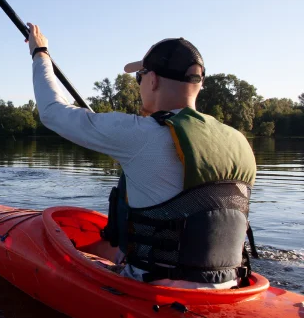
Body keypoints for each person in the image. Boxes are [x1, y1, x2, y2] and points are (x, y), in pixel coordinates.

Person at [26, 22, 257, 289]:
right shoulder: (239, 141)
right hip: (231, 286)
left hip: (153, 289)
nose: (139, 85)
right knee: (109, 245)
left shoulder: (142, 135)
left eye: (140, 76)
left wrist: (40, 52)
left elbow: (52, 111)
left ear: (154, 79)